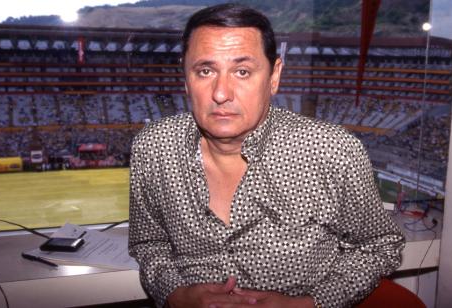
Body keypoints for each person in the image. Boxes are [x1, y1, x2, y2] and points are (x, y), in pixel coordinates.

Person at [129, 3, 404, 308]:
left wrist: (307, 304)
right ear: (186, 78)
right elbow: (148, 244)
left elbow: (380, 246)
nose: (221, 93)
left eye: (242, 71)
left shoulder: (333, 151)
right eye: (205, 71)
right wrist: (175, 295)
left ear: (274, 77)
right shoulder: (152, 148)